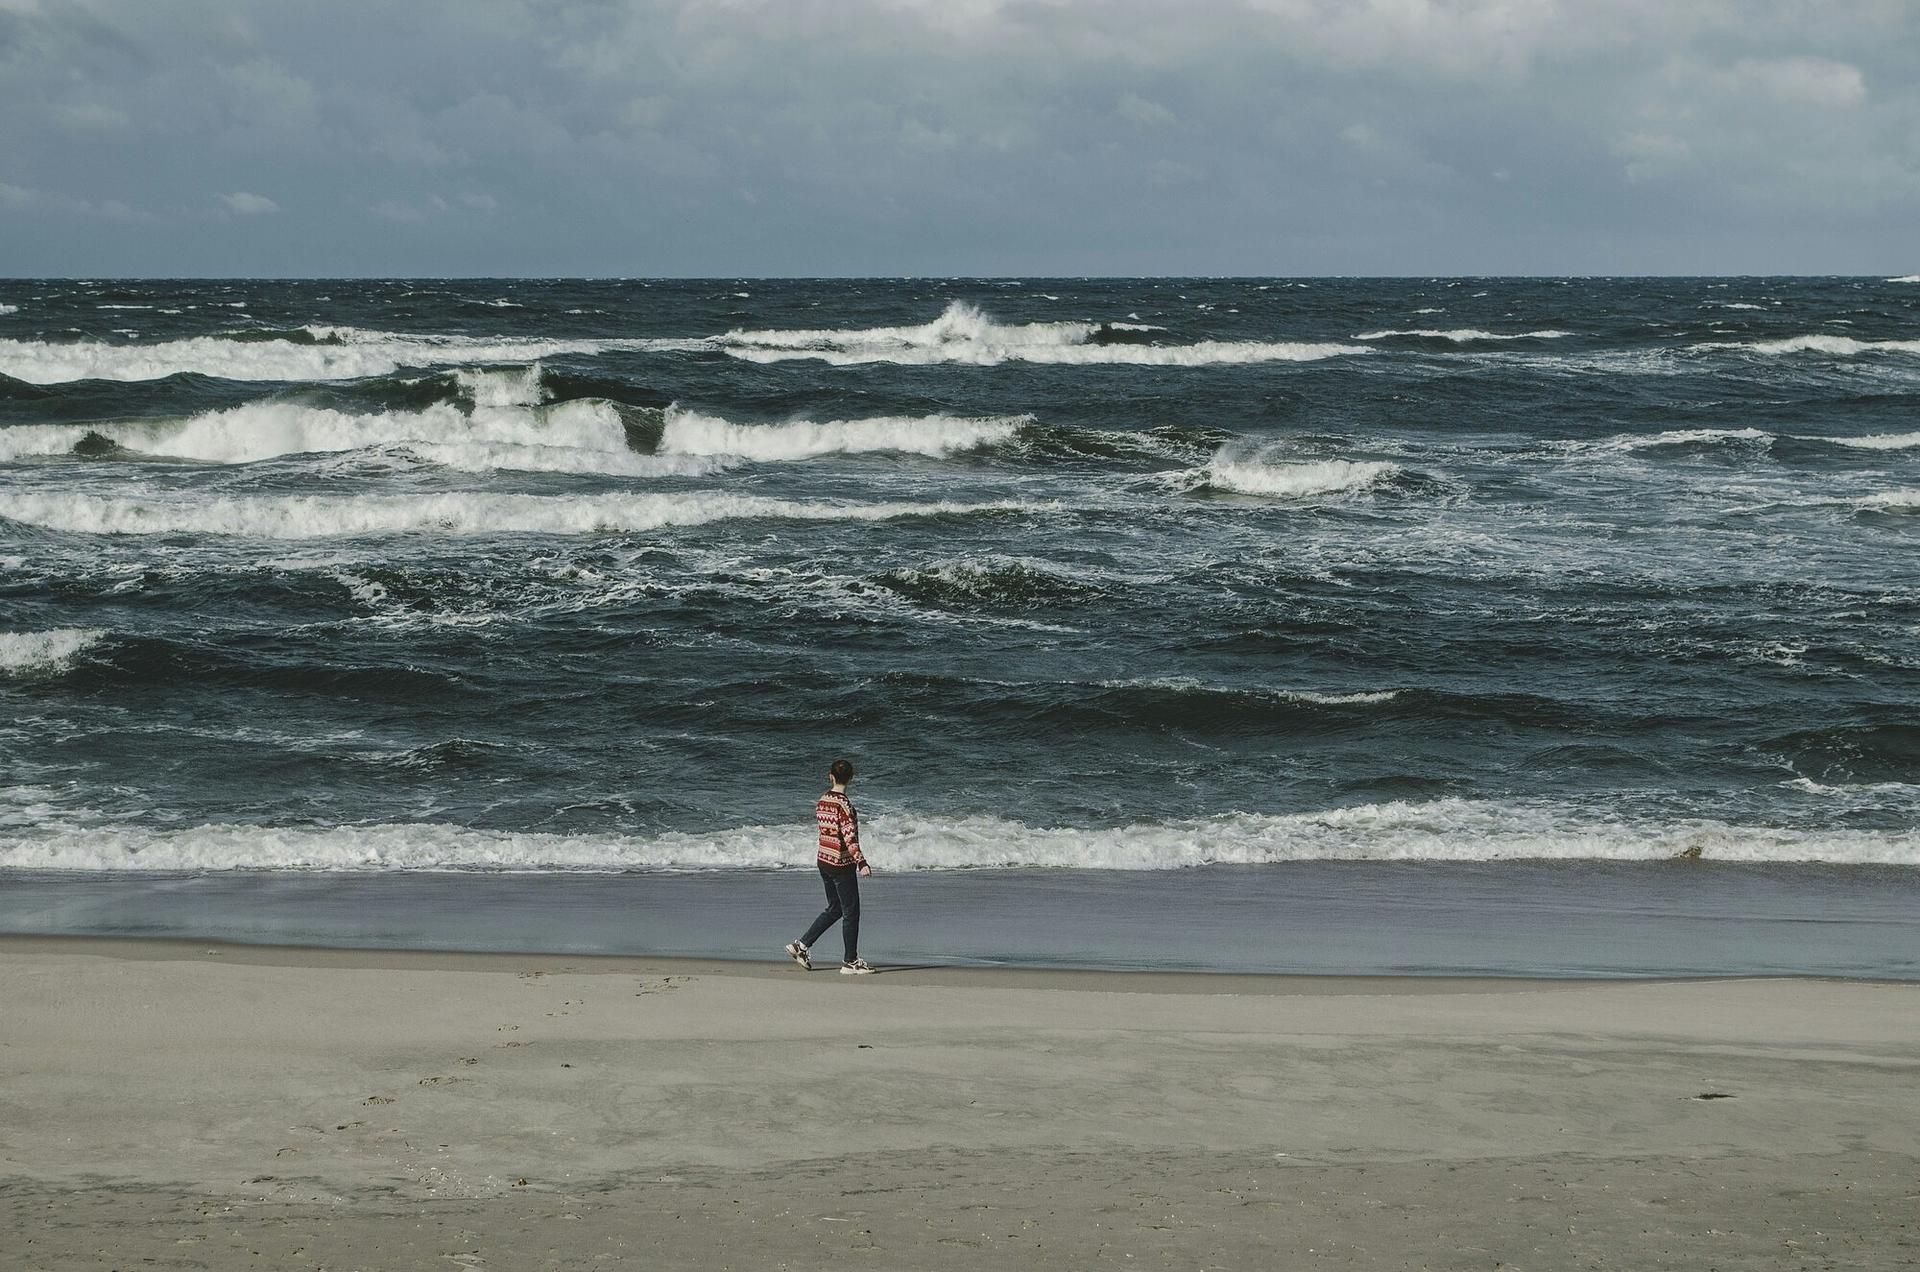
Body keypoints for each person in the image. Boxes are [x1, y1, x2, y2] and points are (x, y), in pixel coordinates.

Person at [785, 758, 874, 974]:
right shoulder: (845, 806)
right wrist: (861, 862)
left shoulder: (822, 800)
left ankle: (802, 945)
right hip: (841, 864)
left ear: (830, 776)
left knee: (835, 908)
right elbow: (849, 838)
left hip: (823, 860)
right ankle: (850, 961)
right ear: (851, 778)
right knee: (851, 912)